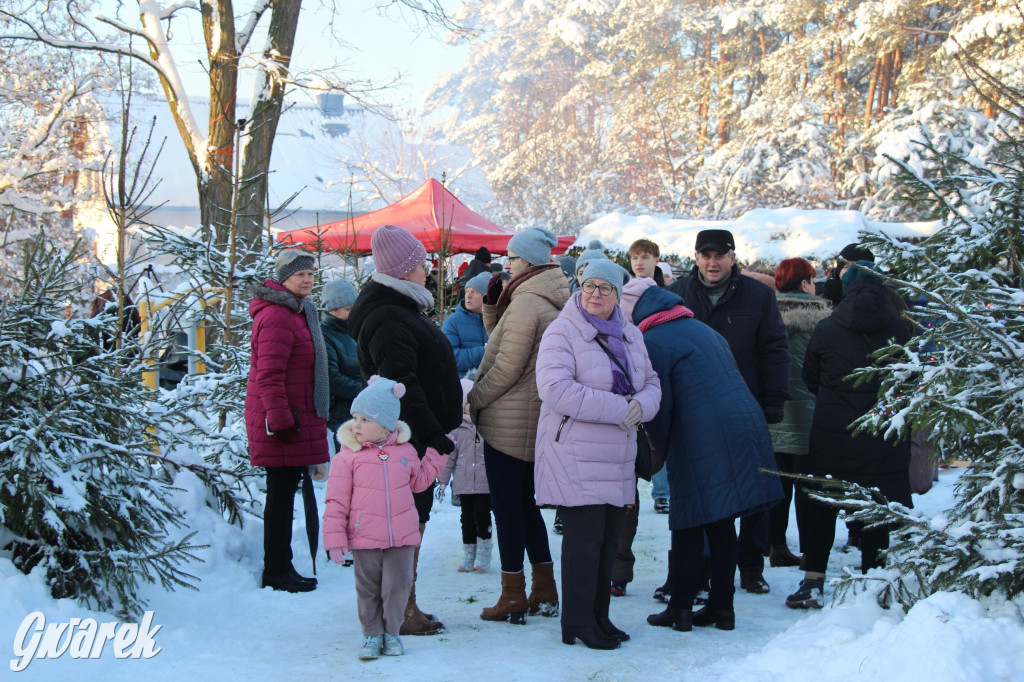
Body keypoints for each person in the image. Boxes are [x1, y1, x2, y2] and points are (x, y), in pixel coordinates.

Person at [620, 278, 782, 633]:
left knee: (687, 520)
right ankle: (722, 608)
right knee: (721, 521)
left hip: (701, 432)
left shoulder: (654, 341)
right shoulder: (698, 328)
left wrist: (658, 451)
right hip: (743, 424)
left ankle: (680, 607)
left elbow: (660, 407)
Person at [535, 261, 661, 649]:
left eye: (605, 288)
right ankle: (576, 622)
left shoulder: (630, 333)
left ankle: (599, 617)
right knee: (583, 542)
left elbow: (652, 382)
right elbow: (556, 390)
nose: (595, 294)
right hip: (577, 453)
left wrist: (643, 406)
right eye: (589, 285)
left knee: (609, 541)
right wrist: (624, 410)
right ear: (579, 286)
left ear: (618, 294)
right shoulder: (562, 331)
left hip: (618, 455)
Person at [347, 224, 463, 635]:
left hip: (412, 437)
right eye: (420, 263)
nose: (428, 269)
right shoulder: (388, 317)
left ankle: (403, 606)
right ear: (402, 270)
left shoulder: (399, 307)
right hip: (407, 440)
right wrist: (432, 434)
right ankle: (400, 611)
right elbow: (402, 385)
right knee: (405, 523)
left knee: (412, 521)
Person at [666, 228, 790, 596]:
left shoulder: (758, 295)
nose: (712, 261)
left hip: (744, 407)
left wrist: (772, 402)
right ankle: (695, 570)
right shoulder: (678, 296)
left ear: (733, 258)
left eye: (719, 254)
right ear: (696, 258)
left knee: (752, 489)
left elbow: (774, 349)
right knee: (696, 491)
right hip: (693, 410)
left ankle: (751, 565)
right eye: (705, 255)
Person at [786, 261, 913, 609]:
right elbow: (912, 379)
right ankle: (874, 577)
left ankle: (813, 580)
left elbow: (811, 375)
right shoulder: (902, 328)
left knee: (823, 505)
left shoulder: (827, 327)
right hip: (882, 432)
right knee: (876, 503)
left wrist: (832, 401)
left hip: (832, 432)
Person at [468, 227, 569, 625]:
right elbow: (510, 344)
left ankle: (513, 595)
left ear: (527, 260)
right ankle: (545, 589)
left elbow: (507, 366)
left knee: (508, 510)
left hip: (509, 421)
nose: (506, 264)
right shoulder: (545, 295)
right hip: (531, 417)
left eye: (511, 257)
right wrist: (494, 308)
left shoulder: (527, 302)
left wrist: (474, 398)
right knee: (526, 509)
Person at [323, 377, 449, 660]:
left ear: (386, 425)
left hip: (401, 536)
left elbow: (419, 483)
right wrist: (334, 539)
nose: (356, 425)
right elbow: (336, 501)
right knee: (367, 588)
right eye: (355, 418)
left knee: (398, 586)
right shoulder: (347, 458)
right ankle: (372, 635)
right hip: (365, 535)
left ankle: (392, 632)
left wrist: (437, 454)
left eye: (364, 419)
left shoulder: (404, 452)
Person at [245, 250, 330, 593]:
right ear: (283, 279)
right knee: (280, 496)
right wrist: (281, 422)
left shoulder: (296, 311)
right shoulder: (279, 316)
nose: (307, 279)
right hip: (282, 424)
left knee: (284, 494)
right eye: (300, 275)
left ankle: (282, 565)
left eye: (310, 273)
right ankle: (276, 570)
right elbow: (269, 375)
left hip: (293, 419)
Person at [766, 258, 832, 568]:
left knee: (777, 485)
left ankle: (775, 544)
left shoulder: (764, 314)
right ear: (805, 284)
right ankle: (810, 551)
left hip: (773, 415)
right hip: (810, 417)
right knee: (809, 488)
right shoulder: (823, 319)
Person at [627, 238, 669, 515]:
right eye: (635, 258)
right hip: (630, 367)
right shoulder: (623, 289)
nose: (640, 262)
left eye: (645, 257)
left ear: (656, 260)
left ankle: (662, 491)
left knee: (658, 433)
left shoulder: (663, 294)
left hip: (657, 365)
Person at [437, 378, 493, 572]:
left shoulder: (487, 428)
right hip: (464, 483)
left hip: (485, 483)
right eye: (467, 403)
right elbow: (449, 458)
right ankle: (469, 554)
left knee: (482, 515)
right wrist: (443, 482)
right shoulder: (456, 430)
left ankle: (484, 553)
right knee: (466, 518)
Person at [320, 279, 364, 452]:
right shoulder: (325, 336)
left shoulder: (355, 331)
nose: (354, 313)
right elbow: (331, 378)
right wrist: (364, 390)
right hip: (341, 415)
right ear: (332, 310)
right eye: (348, 309)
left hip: (361, 410)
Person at [442, 272, 490, 378]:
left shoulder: (498, 320)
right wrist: (484, 351)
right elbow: (449, 358)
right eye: (467, 291)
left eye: (474, 292)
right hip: (463, 384)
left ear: (486, 296)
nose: (468, 296)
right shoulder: (453, 322)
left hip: (493, 384)